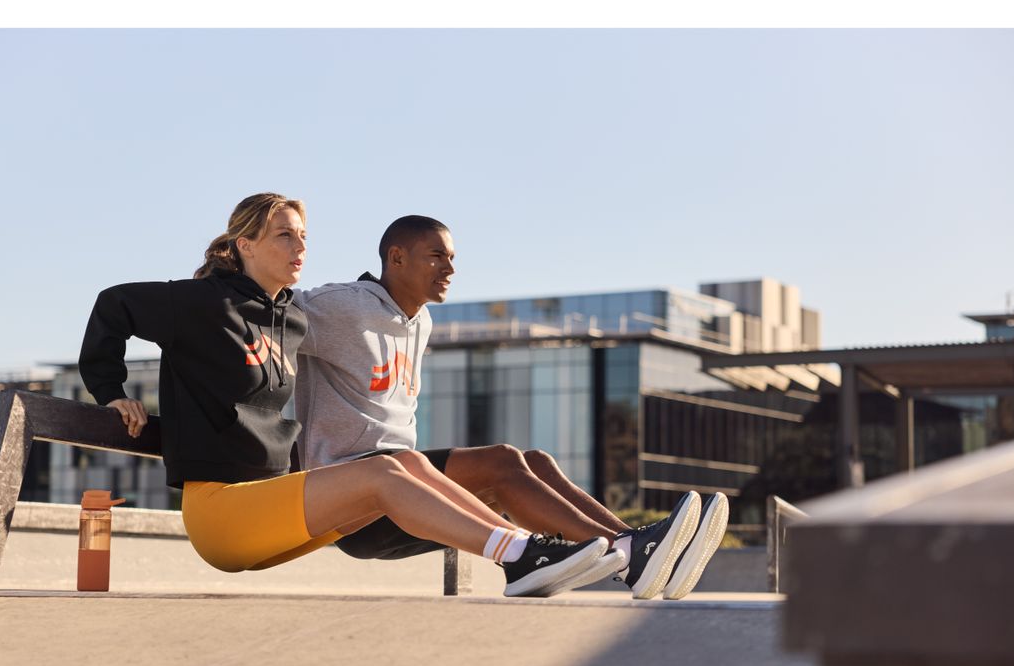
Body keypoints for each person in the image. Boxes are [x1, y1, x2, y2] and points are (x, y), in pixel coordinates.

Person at [77, 192, 618, 599]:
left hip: (275, 502)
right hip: (222, 511)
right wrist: (111, 392)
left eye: (304, 236)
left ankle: (551, 553)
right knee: (385, 470)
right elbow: (113, 304)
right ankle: (520, 555)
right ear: (244, 245)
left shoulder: (289, 318)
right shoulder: (202, 303)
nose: (300, 247)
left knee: (402, 460)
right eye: (284, 236)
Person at [295, 215, 729, 601]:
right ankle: (633, 554)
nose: (450, 269)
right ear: (397, 257)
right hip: (352, 495)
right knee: (501, 461)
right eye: (436, 256)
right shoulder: (341, 306)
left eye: (452, 258)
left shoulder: (420, 321)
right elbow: (268, 306)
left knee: (533, 463)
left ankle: (635, 553)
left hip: (406, 495)